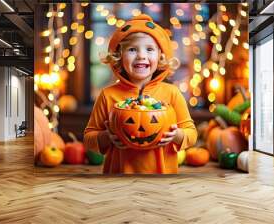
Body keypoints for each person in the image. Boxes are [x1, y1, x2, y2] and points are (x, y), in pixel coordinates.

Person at [84, 14, 197, 174]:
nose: (141, 55)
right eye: (132, 49)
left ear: (160, 56)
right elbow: (89, 137)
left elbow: (192, 134)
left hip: (162, 182)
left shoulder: (171, 93)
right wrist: (106, 137)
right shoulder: (108, 95)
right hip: (118, 181)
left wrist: (176, 135)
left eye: (149, 49)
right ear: (119, 56)